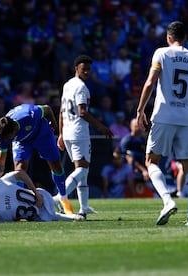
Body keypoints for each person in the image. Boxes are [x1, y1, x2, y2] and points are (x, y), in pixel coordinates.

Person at [136, 21, 188, 226]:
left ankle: (168, 200)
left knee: (151, 161)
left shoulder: (161, 53)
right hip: (186, 119)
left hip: (163, 116)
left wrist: (140, 110)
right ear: (185, 38)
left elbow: (150, 82)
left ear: (169, 38)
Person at [57, 54, 113, 217]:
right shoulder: (81, 87)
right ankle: (61, 195)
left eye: (89, 69)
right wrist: (102, 127)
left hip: (67, 131)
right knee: (82, 169)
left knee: (82, 171)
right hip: (78, 132)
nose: (87, 72)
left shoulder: (67, 85)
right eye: (84, 69)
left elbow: (61, 112)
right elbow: (82, 112)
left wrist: (61, 133)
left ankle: (84, 207)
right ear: (76, 69)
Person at [0, 104, 75, 215]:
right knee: (19, 170)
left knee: (55, 165)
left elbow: (47, 108)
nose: (7, 141)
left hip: (42, 133)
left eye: (9, 138)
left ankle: (63, 198)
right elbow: (0, 163)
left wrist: (53, 123)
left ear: (14, 129)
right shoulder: (3, 136)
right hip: (23, 141)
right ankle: (19, 204)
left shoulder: (29, 114)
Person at [0, 170, 85, 223]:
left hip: (41, 216)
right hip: (43, 195)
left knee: (50, 216)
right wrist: (36, 193)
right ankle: (59, 200)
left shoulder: (3, 217)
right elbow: (21, 173)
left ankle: (70, 214)